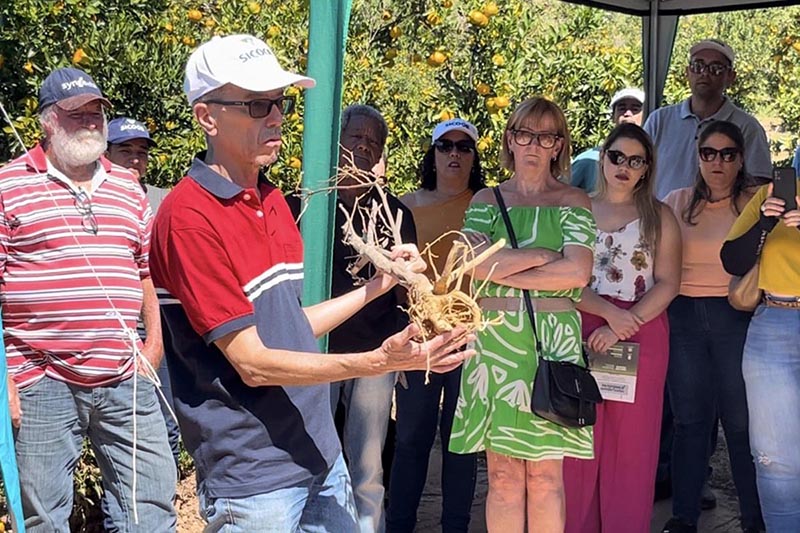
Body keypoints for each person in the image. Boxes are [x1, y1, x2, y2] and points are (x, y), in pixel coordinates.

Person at [149, 34, 473, 532]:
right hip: (255, 479)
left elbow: (289, 325)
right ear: (207, 117)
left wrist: (377, 286)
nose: (276, 115)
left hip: (319, 455)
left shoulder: (272, 200)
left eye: (278, 101)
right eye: (257, 104)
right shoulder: (188, 218)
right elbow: (253, 364)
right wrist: (378, 362)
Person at [0, 67, 176, 531]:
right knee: (45, 520)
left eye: (97, 112)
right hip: (40, 376)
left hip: (126, 374)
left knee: (153, 508)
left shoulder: (126, 187)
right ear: (47, 121)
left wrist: (153, 346)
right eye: (76, 114)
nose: (91, 122)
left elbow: (144, 273)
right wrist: (6, 381)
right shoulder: (8, 186)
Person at [448, 97, 595, 532]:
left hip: (552, 344)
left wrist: (502, 265)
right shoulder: (486, 200)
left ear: (558, 145)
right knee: (502, 476)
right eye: (524, 133)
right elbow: (469, 267)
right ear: (511, 139)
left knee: (546, 478)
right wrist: (540, 255)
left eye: (546, 135)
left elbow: (578, 271)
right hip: (494, 347)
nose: (533, 144)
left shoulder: (575, 200)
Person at [563, 123, 680, 533]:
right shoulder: (575, 208)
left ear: (647, 168)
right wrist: (605, 314)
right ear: (603, 157)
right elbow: (563, 278)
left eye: (636, 160)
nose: (624, 167)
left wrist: (620, 324)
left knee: (631, 447)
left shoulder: (660, 215)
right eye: (617, 157)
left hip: (640, 329)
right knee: (577, 438)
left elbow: (669, 282)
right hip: (582, 325)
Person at [660, 121, 763, 533]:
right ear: (697, 157)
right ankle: (683, 518)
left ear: (740, 159)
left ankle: (754, 520)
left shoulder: (757, 202)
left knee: (740, 424)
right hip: (682, 315)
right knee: (690, 422)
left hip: (735, 316)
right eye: (709, 153)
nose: (717, 162)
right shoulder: (675, 201)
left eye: (727, 154)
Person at [388, 118, 485, 532]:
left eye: (464, 147)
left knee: (461, 444)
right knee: (411, 439)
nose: (454, 154)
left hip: (470, 338)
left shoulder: (487, 205)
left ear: (474, 157)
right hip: (418, 340)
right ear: (433, 153)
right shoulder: (405, 205)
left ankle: (456, 526)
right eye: (446, 146)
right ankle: (399, 525)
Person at [328, 104, 417, 533]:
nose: (364, 147)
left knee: (367, 465)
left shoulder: (396, 214)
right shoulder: (306, 205)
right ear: (336, 140)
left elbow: (408, 292)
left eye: (373, 142)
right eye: (356, 137)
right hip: (316, 354)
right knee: (314, 459)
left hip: (376, 355)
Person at [721, 170, 800, 531]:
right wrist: (765, 224)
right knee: (775, 461)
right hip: (775, 322)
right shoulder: (776, 192)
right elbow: (733, 262)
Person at [105, 116, 180, 468]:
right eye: (125, 151)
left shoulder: (164, 201)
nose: (135, 159)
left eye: (141, 152)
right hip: (113, 331)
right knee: (122, 433)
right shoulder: (94, 198)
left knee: (167, 423)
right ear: (104, 154)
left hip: (158, 329)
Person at [644, 39, 771, 200]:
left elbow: (759, 186)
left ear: (731, 76)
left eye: (716, 68)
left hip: (724, 224)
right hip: (660, 221)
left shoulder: (747, 127)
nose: (705, 73)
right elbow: (637, 170)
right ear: (687, 72)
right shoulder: (659, 120)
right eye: (698, 66)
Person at [571, 88, 645, 193]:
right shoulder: (587, 160)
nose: (628, 113)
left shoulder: (657, 159)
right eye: (622, 108)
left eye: (635, 109)